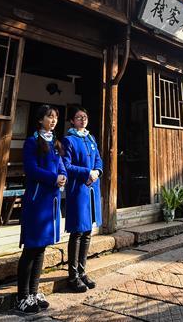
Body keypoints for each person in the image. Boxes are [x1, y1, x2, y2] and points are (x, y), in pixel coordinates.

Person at [17, 105, 67, 314]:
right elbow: (31, 169)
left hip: (52, 199)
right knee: (31, 248)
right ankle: (22, 296)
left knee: (42, 248)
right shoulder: (31, 142)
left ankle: (34, 292)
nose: (53, 120)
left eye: (55, 117)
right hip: (37, 199)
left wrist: (63, 176)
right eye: (49, 116)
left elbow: (62, 164)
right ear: (40, 120)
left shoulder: (55, 142)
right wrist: (53, 178)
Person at [62, 107, 103, 293]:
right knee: (77, 231)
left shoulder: (91, 138)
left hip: (92, 187)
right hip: (78, 189)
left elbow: (99, 160)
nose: (83, 120)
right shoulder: (69, 140)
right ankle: (72, 276)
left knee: (87, 231)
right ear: (72, 121)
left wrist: (97, 172)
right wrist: (87, 172)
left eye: (85, 117)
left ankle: (82, 271)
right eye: (79, 117)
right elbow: (66, 165)